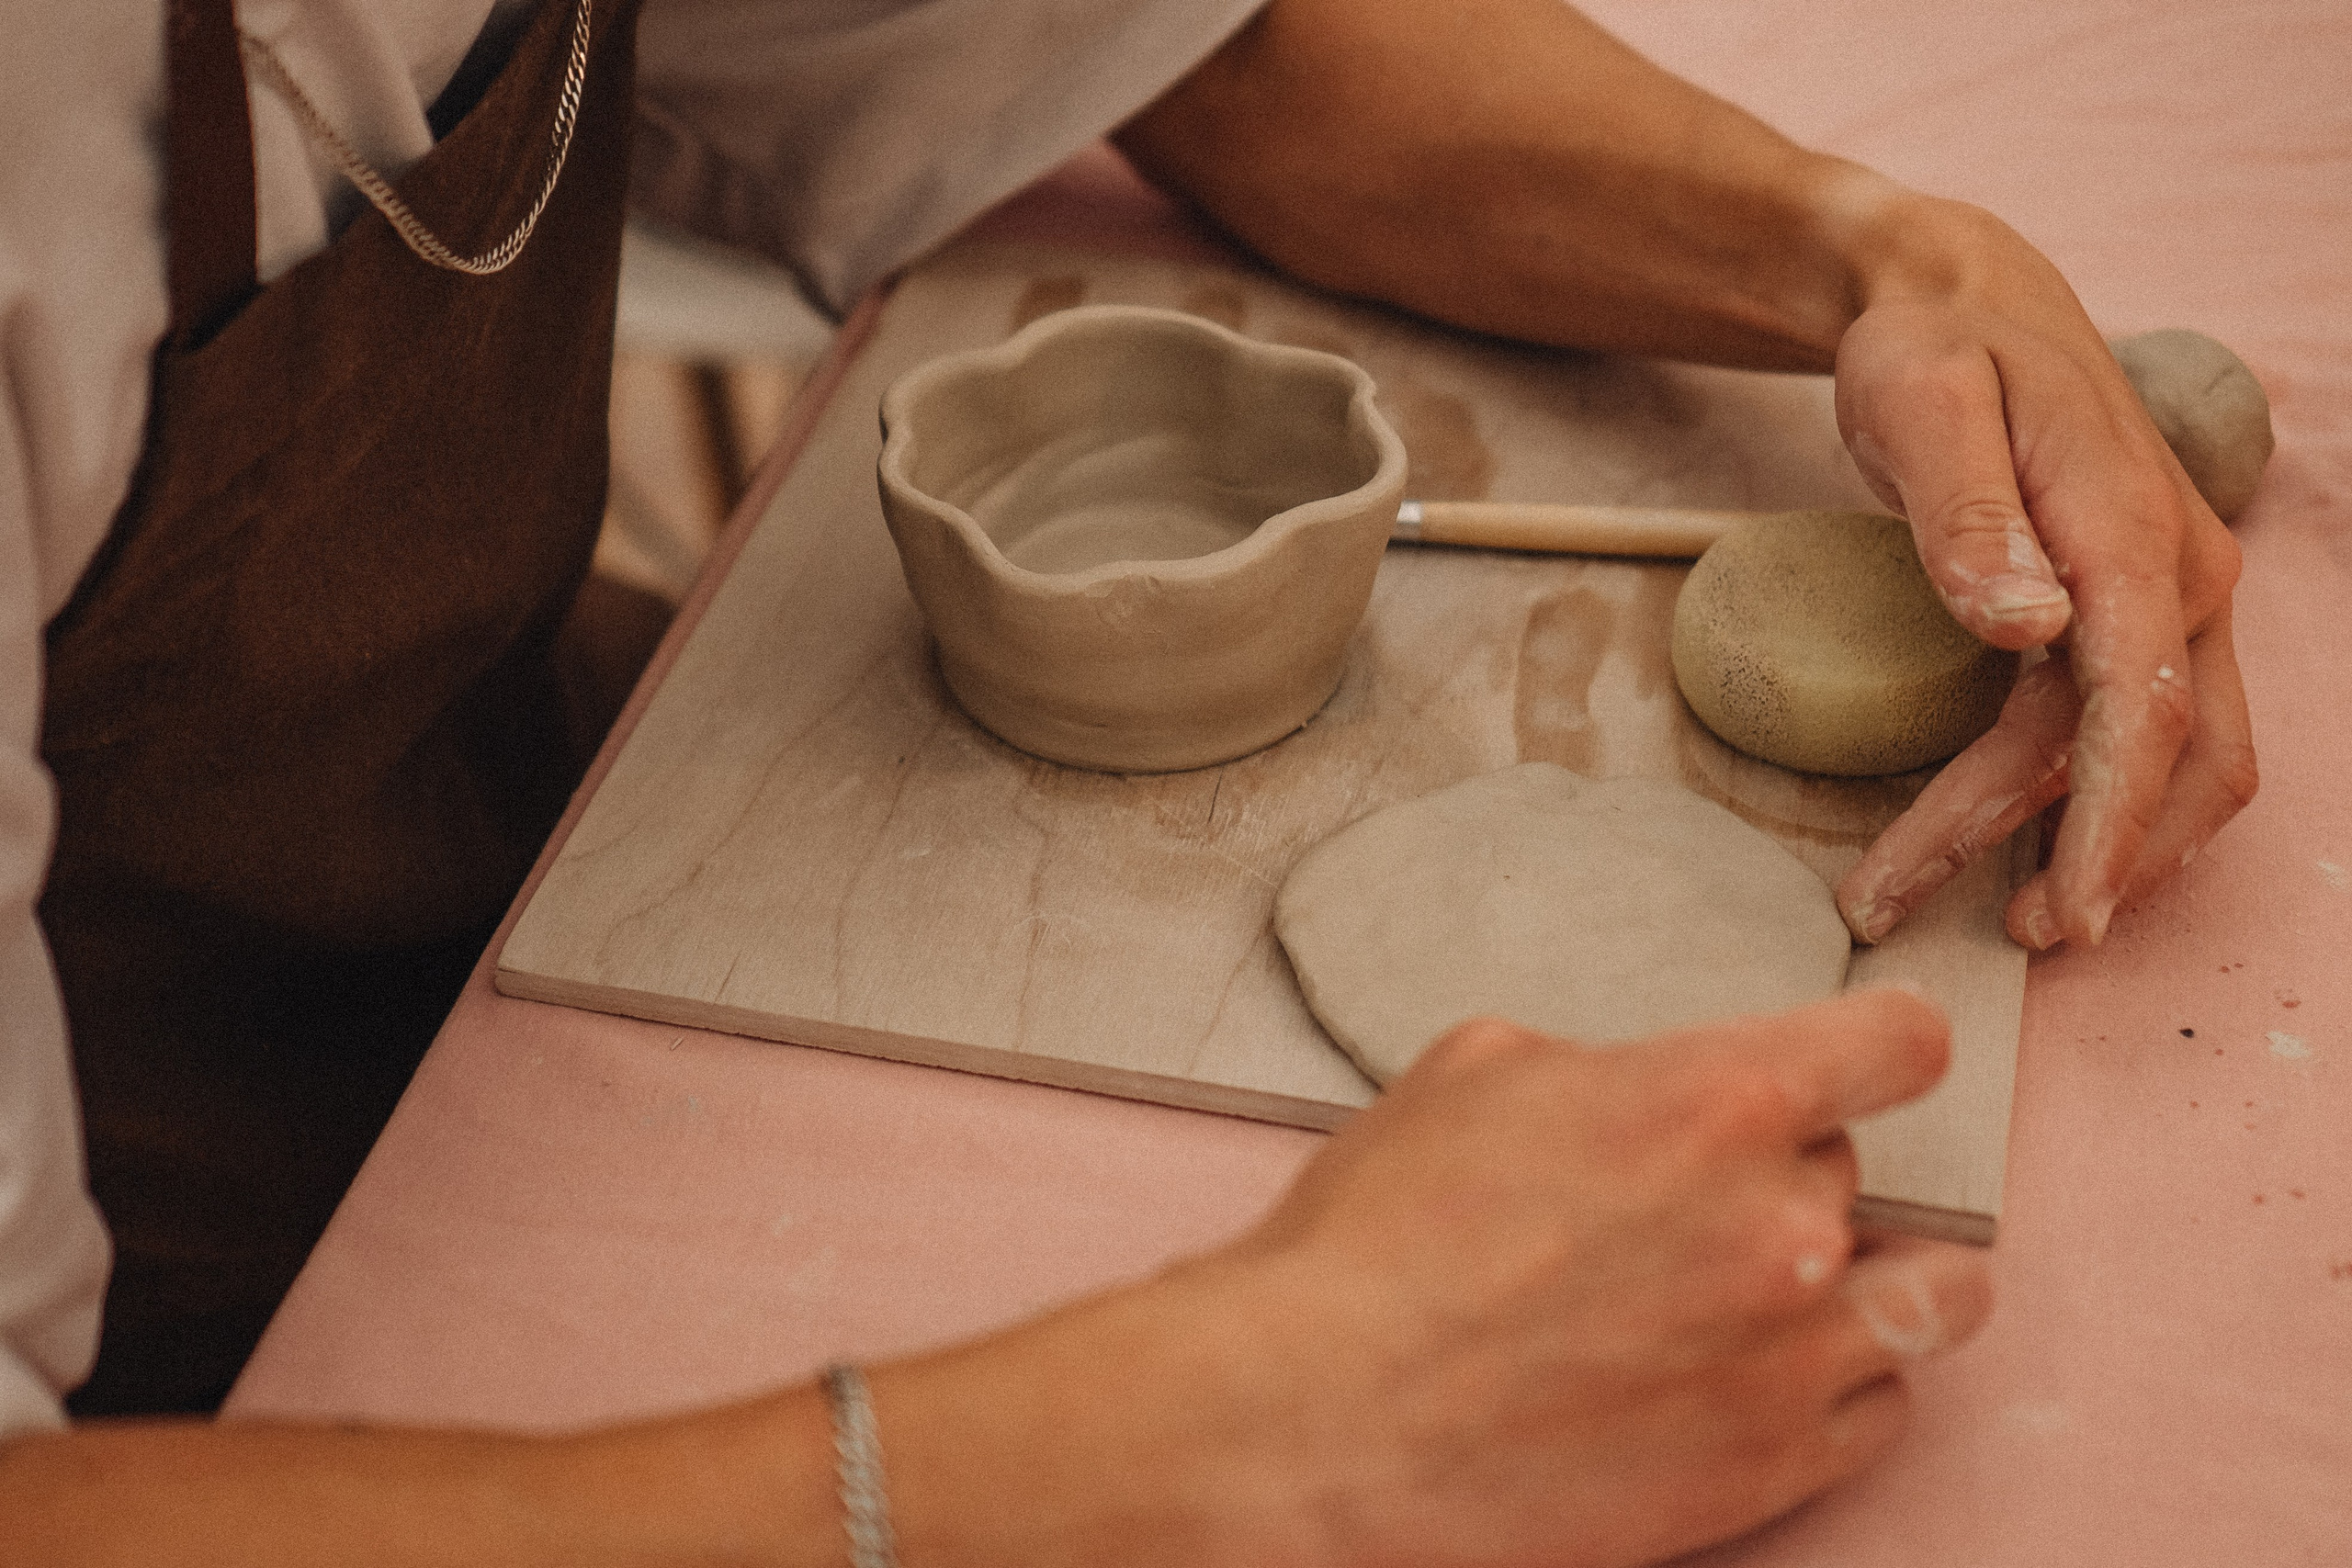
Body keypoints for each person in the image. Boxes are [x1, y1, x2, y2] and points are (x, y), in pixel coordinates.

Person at [0, 0, 2249, 1559]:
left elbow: (1177, 40)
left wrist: (1892, 262)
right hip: (171, 1261)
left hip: (466, 793)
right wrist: (1209, 1438)